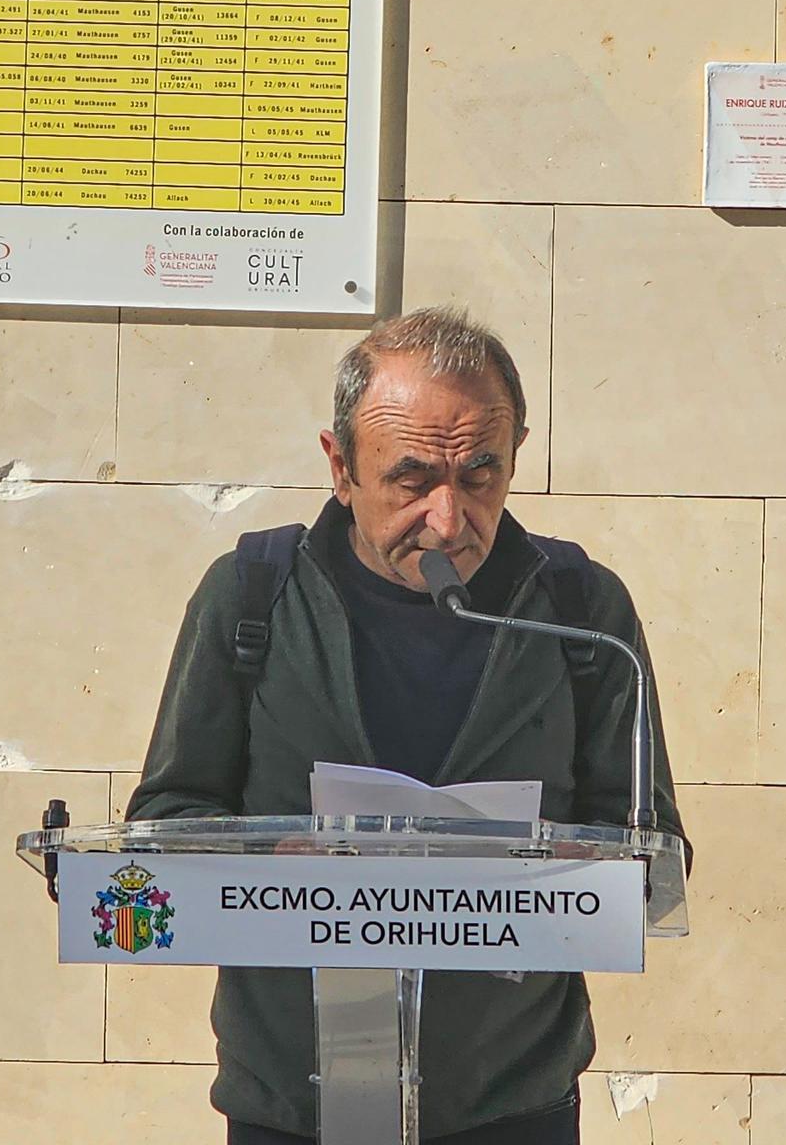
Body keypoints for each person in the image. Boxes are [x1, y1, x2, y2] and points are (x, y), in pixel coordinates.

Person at [128, 307, 688, 1145]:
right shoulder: (252, 599)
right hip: (293, 1097)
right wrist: (268, 862)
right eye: (411, 479)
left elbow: (658, 860)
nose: (448, 519)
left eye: (479, 476)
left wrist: (587, 864)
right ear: (340, 465)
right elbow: (163, 822)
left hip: (510, 1099)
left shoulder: (579, 613)